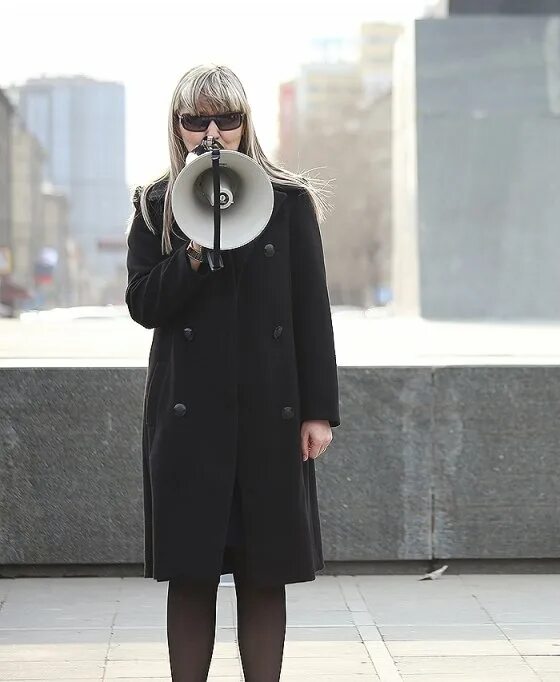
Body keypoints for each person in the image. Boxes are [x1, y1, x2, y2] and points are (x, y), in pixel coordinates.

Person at [125, 65, 339, 681]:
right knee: (191, 574)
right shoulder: (155, 203)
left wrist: (318, 410)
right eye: (197, 120)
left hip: (269, 413)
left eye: (226, 118)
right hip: (189, 415)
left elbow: (311, 313)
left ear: (248, 124)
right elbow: (143, 305)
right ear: (178, 127)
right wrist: (195, 254)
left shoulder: (289, 201)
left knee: (264, 572)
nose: (212, 132)